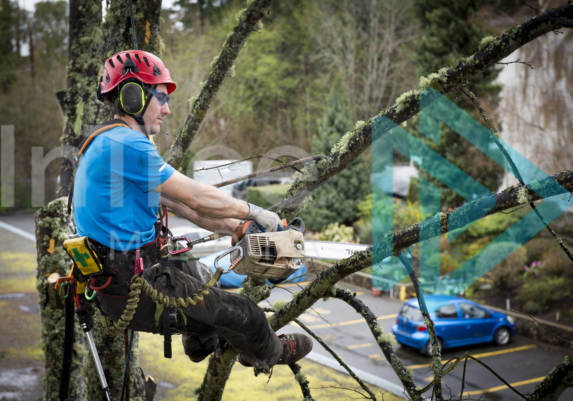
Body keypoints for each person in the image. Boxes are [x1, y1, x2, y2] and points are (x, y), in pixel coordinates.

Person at [72, 49, 312, 374]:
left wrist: (236, 227)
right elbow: (196, 197)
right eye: (160, 97)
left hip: (130, 274)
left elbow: (182, 205)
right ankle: (267, 353)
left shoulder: (110, 141)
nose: (167, 109)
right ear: (134, 97)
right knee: (247, 314)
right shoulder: (126, 145)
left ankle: (202, 341)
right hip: (132, 290)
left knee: (200, 275)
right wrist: (257, 212)